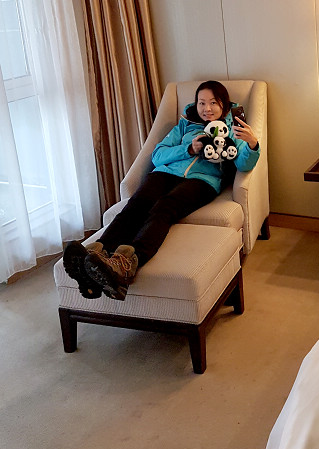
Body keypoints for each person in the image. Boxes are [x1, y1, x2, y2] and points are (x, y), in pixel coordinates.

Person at [63, 80, 260, 301]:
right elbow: (158, 155)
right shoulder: (184, 126)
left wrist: (252, 144)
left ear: (224, 104)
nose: (207, 108)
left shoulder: (232, 129)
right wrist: (188, 149)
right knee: (138, 203)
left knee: (165, 207)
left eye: (213, 102)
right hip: (165, 173)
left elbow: (243, 164)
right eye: (201, 102)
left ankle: (126, 264)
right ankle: (96, 257)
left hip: (203, 181)